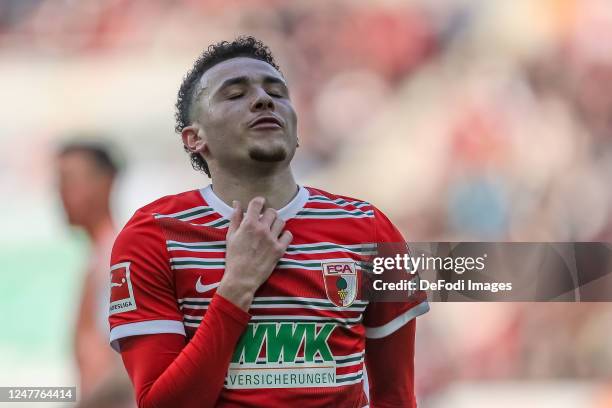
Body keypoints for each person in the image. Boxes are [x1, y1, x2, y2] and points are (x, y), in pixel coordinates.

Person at [108, 36, 429, 408]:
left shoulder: (370, 230)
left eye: (278, 92)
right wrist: (237, 287)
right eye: (234, 94)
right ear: (195, 138)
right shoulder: (153, 235)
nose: (264, 100)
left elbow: (397, 397)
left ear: (296, 133)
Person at [56, 141, 134, 408]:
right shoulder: (98, 258)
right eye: (58, 182)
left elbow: (130, 365)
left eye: (69, 180)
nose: (61, 193)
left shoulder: (117, 260)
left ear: (106, 183)